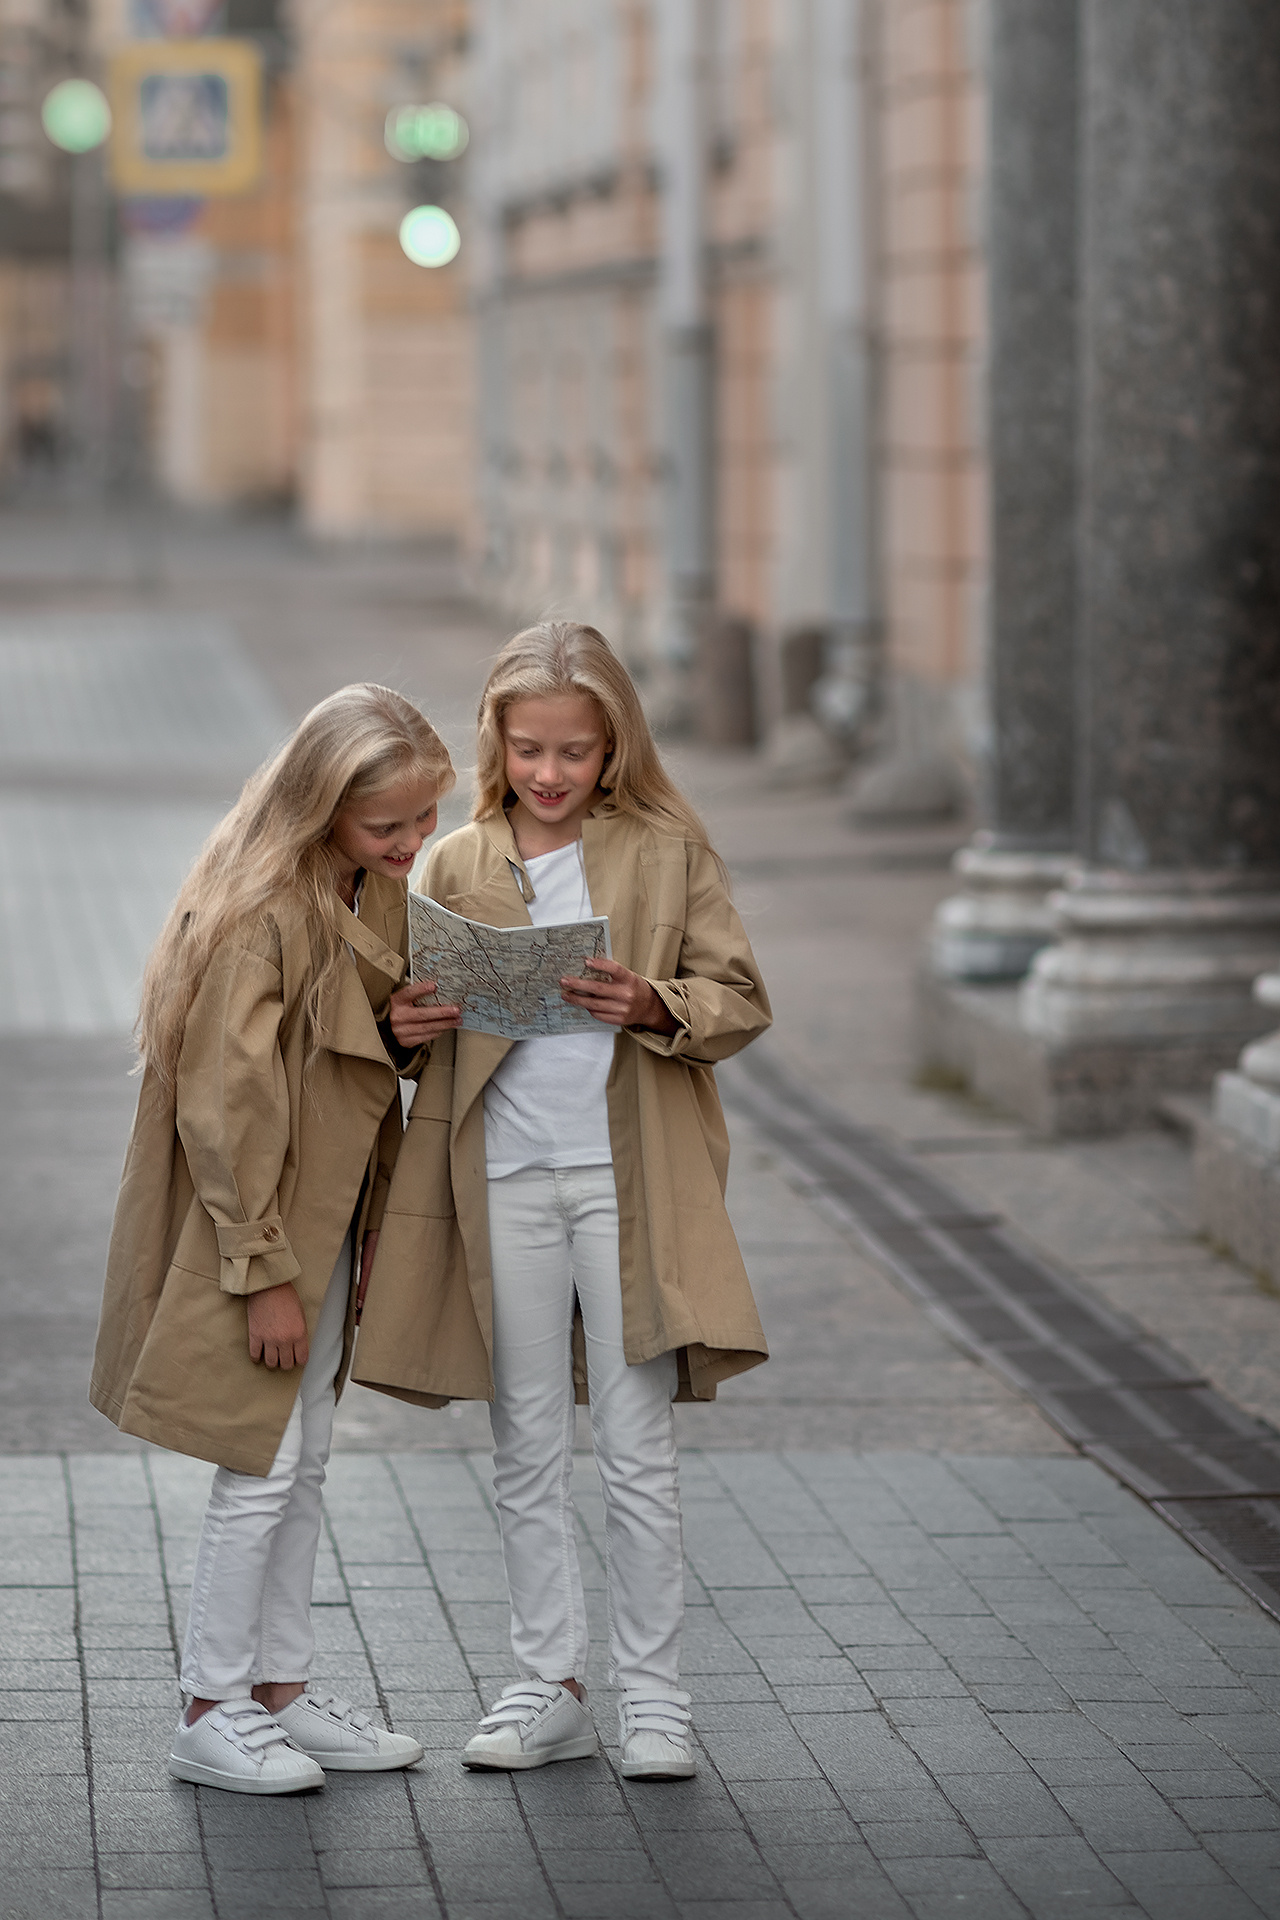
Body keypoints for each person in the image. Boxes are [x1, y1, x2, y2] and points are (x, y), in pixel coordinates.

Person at [354, 623, 771, 1782]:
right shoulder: (451, 862)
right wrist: (402, 1029)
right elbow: (394, 1022)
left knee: (636, 1448)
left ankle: (656, 1699)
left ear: (612, 746)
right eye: (528, 748)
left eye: (573, 752)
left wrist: (651, 1002)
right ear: (494, 742)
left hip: (627, 1182)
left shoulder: (665, 849)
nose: (548, 772)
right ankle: (548, 1684)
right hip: (499, 1179)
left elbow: (737, 998)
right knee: (526, 1441)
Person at [90, 684, 463, 1795]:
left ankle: (279, 1690)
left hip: (327, 1218)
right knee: (259, 1462)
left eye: (423, 818)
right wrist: (261, 1274)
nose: (411, 842)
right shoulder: (260, 912)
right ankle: (211, 1708)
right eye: (386, 824)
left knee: (303, 1460)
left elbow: (330, 1048)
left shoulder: (360, 885)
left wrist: (394, 1031)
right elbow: (226, 1108)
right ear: (320, 806)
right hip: (256, 1232)